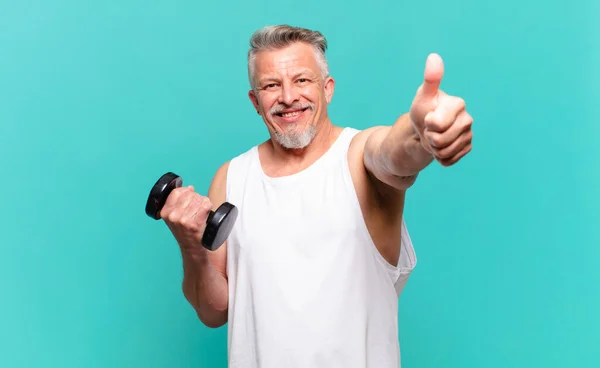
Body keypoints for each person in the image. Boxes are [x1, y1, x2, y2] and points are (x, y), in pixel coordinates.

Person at [159, 25, 473, 368]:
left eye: (302, 81)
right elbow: (214, 310)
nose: (288, 97)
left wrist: (421, 133)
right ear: (255, 100)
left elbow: (394, 154)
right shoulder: (231, 178)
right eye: (271, 85)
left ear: (328, 89)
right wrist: (191, 247)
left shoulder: (358, 158)